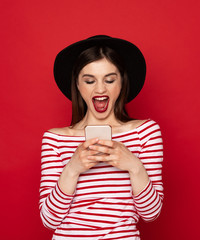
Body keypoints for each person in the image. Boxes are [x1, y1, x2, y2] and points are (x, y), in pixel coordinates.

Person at [39, 35, 164, 239]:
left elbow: (151, 213)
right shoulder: (55, 139)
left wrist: (133, 165)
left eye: (110, 80)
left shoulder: (145, 132)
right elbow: (49, 220)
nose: (100, 89)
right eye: (89, 81)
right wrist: (72, 169)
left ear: (122, 83)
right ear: (77, 86)